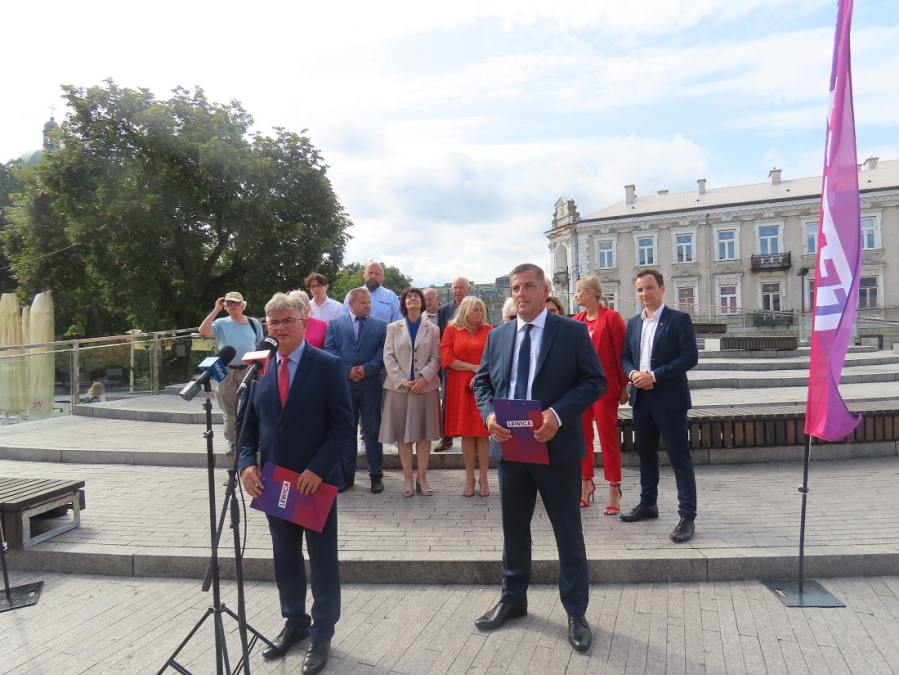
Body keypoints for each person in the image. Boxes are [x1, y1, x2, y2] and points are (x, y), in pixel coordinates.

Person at [472, 263, 605, 653]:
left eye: (529, 286)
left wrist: (558, 414)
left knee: (567, 531)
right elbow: (482, 383)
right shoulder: (498, 336)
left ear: (545, 290)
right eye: (515, 287)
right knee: (514, 529)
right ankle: (513, 599)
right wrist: (489, 416)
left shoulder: (571, 332)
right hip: (511, 448)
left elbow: (594, 380)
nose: (521, 293)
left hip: (557, 448)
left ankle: (576, 612)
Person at [237, 293, 352, 674]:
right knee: (285, 558)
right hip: (274, 482)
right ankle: (295, 622)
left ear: (304, 322)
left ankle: (321, 634)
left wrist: (318, 469)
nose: (281, 328)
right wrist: (246, 465)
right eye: (274, 322)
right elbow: (246, 426)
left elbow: (343, 424)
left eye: (288, 320)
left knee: (322, 561)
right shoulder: (258, 367)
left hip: (314, 483)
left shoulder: (327, 365)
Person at [620, 268, 699, 543]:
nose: (645, 293)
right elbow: (625, 357)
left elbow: (689, 357)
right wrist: (633, 375)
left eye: (649, 288)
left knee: (679, 458)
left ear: (662, 289)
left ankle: (687, 517)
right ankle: (648, 504)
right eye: (640, 289)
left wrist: (653, 376)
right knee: (646, 454)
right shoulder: (633, 323)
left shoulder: (678, 320)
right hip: (641, 399)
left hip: (669, 399)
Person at [572, 276, 629, 514]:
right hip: (581, 389)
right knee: (582, 438)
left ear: (590, 293)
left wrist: (624, 385)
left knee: (607, 438)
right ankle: (586, 484)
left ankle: (614, 488)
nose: (576, 296)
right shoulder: (576, 321)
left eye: (578, 292)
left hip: (605, 388)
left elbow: (621, 353)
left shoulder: (611, 318)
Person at [324, 288, 388, 494]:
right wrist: (347, 371)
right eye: (363, 303)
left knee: (373, 431)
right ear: (351, 304)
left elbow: (383, 352)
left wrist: (367, 369)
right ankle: (347, 475)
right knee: (346, 431)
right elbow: (330, 349)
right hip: (345, 385)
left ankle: (376, 475)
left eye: (369, 302)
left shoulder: (380, 325)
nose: (368, 306)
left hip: (370, 385)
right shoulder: (335, 325)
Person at [379, 287, 441, 497]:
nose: (413, 298)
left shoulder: (433, 329)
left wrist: (424, 378)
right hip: (399, 389)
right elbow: (388, 356)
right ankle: (407, 479)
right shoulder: (392, 328)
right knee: (402, 436)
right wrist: (402, 380)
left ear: (422, 303)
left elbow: (436, 357)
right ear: (404, 303)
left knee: (424, 435)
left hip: (426, 389)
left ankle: (422, 478)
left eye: (416, 296)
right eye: (409, 297)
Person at [199, 291, 264, 454]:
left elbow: (261, 345)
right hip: (226, 370)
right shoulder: (221, 323)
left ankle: (252, 440)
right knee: (229, 409)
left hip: (248, 370)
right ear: (225, 306)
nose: (233, 306)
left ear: (243, 305)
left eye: (236, 303)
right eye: (229, 303)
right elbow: (204, 331)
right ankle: (233, 441)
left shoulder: (253, 323)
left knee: (251, 407)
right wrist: (216, 309)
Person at [440, 296, 493, 497]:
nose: (480, 313)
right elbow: (447, 359)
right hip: (460, 385)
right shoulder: (451, 330)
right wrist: (473, 368)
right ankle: (469, 478)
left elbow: (495, 357)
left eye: (481, 310)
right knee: (467, 433)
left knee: (483, 432)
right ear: (465, 311)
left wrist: (480, 373)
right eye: (476, 310)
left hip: (484, 384)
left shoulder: (489, 330)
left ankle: (484, 478)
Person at [434, 276, 471, 451]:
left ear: (468, 289)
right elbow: (441, 338)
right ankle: (446, 438)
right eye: (455, 287)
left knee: (470, 402)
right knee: (447, 402)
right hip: (450, 364)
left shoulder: (477, 307)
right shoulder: (443, 311)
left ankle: (472, 437)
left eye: (461, 287)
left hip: (471, 364)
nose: (457, 291)